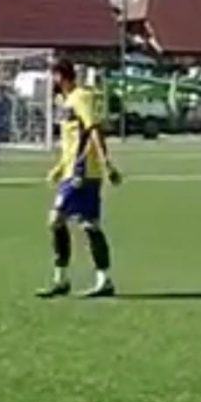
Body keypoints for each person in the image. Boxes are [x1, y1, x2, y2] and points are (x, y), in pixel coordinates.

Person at [37, 59, 122, 299]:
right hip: (73, 170)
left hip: (81, 172)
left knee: (56, 220)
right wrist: (59, 167)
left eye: (53, 76)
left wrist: (106, 163)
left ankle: (61, 280)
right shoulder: (67, 101)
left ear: (59, 76)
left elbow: (93, 130)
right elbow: (74, 141)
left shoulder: (81, 97)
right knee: (89, 224)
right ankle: (103, 280)